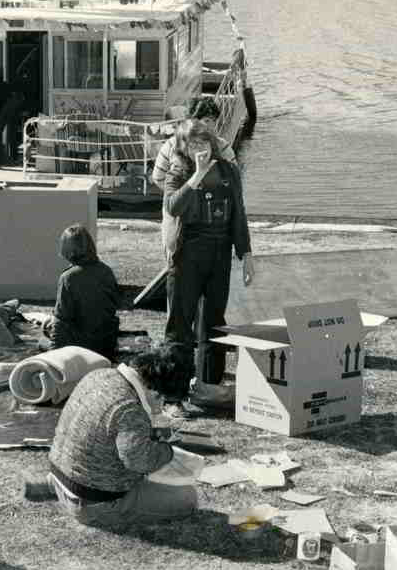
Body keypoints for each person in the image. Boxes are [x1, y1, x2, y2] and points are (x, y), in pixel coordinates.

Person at [47, 342, 199, 528]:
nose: (160, 408)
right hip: (92, 503)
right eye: (163, 399)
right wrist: (167, 451)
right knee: (188, 498)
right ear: (154, 390)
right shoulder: (130, 409)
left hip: (60, 479)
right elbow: (139, 461)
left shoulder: (98, 374)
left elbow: (105, 428)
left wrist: (145, 435)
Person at [161, 118, 254, 418]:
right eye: (193, 144)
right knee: (180, 324)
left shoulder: (228, 171)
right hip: (187, 255)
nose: (200, 149)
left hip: (219, 253)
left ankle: (209, 386)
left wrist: (246, 254)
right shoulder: (178, 172)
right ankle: (172, 396)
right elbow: (173, 206)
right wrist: (197, 175)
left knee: (214, 322)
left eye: (204, 143)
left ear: (212, 143)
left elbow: (238, 214)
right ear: (184, 148)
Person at [44, 224, 121, 361]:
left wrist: (53, 356)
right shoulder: (106, 271)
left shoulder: (69, 277)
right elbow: (112, 306)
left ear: (68, 249)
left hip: (83, 347)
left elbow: (61, 321)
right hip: (107, 343)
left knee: (44, 336)